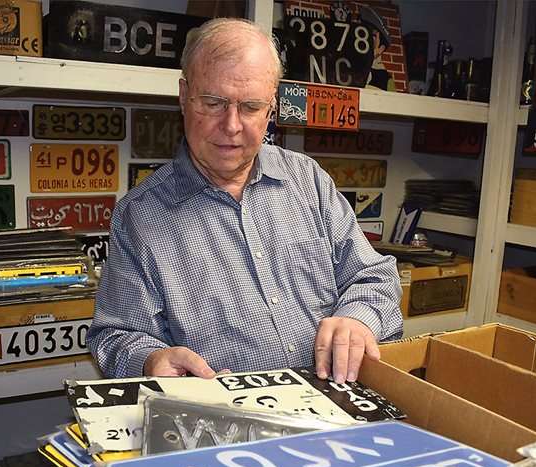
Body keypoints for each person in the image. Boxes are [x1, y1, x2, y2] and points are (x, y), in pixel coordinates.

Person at [85, 18, 403, 383]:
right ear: (184, 97)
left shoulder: (309, 181)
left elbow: (374, 277)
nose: (232, 125)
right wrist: (149, 360)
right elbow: (114, 337)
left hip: (334, 406)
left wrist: (358, 319)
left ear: (272, 107)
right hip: (226, 423)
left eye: (250, 107)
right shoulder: (139, 217)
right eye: (213, 102)